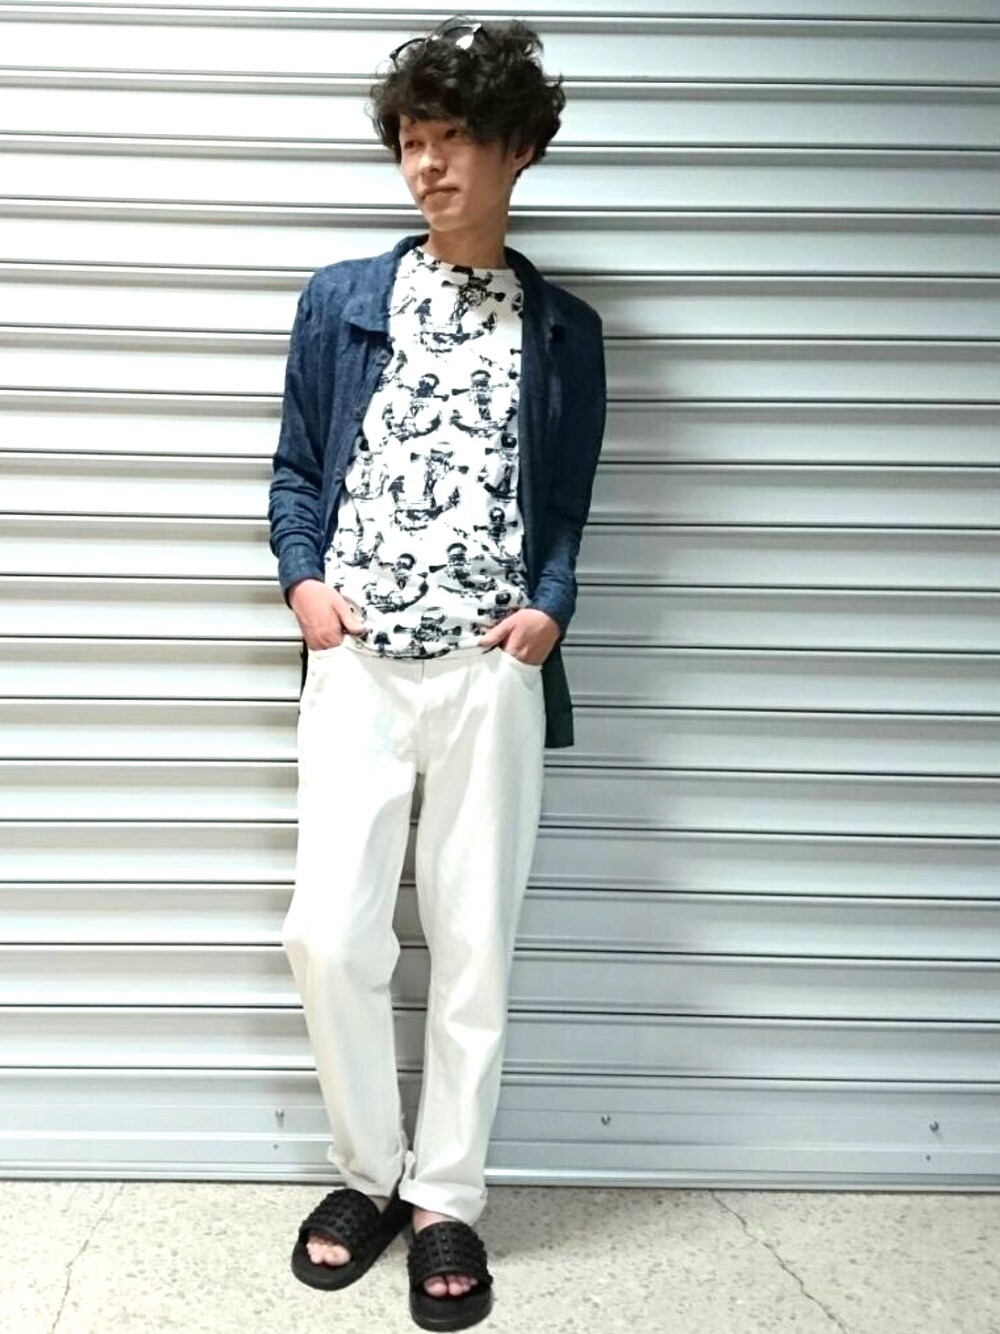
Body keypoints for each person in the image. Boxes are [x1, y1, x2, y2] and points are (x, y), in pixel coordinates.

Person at [267, 14, 606, 1330]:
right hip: (356, 662)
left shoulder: (563, 331)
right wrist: (306, 586)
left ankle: (445, 1195)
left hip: (486, 672)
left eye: (456, 137)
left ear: (518, 149)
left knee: (474, 947)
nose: (428, 165)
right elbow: (300, 469)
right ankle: (369, 1170)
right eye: (412, 139)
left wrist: (548, 608)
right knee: (328, 934)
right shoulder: (342, 300)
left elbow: (564, 507)